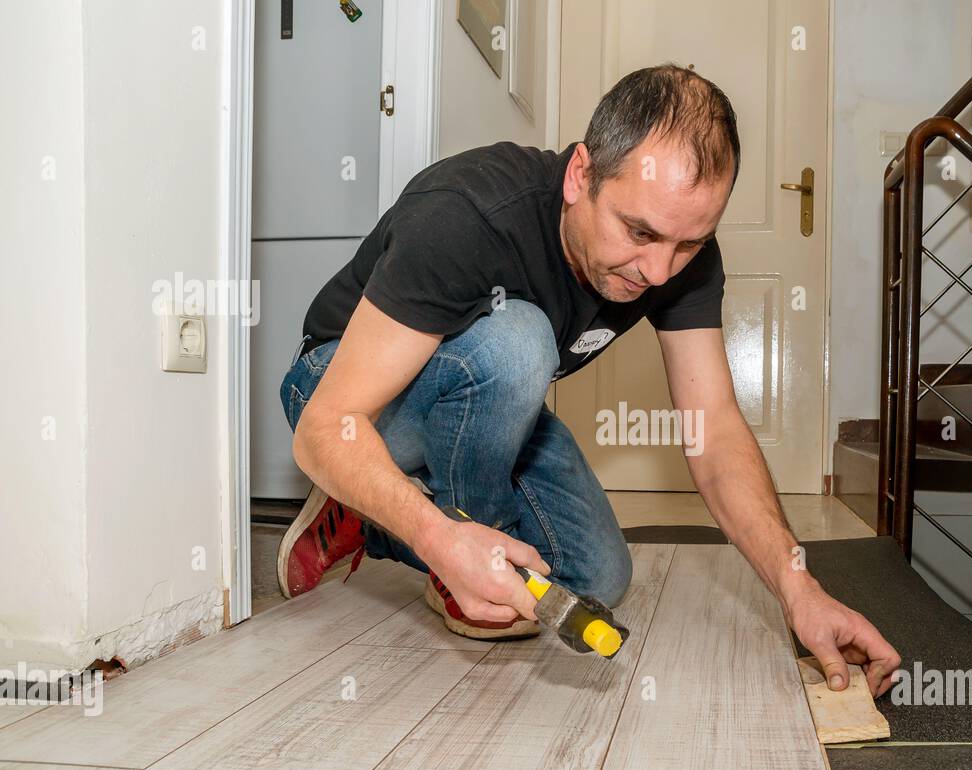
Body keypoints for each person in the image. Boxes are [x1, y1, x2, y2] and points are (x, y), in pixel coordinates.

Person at [276, 63, 900, 695]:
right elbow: (326, 424)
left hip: (476, 398)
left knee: (595, 576)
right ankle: (430, 529)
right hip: (343, 394)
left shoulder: (680, 257)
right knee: (520, 341)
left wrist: (801, 589)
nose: (659, 272)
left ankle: (368, 516)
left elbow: (712, 432)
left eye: (689, 243)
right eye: (640, 232)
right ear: (580, 176)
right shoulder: (467, 214)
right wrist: (440, 540)